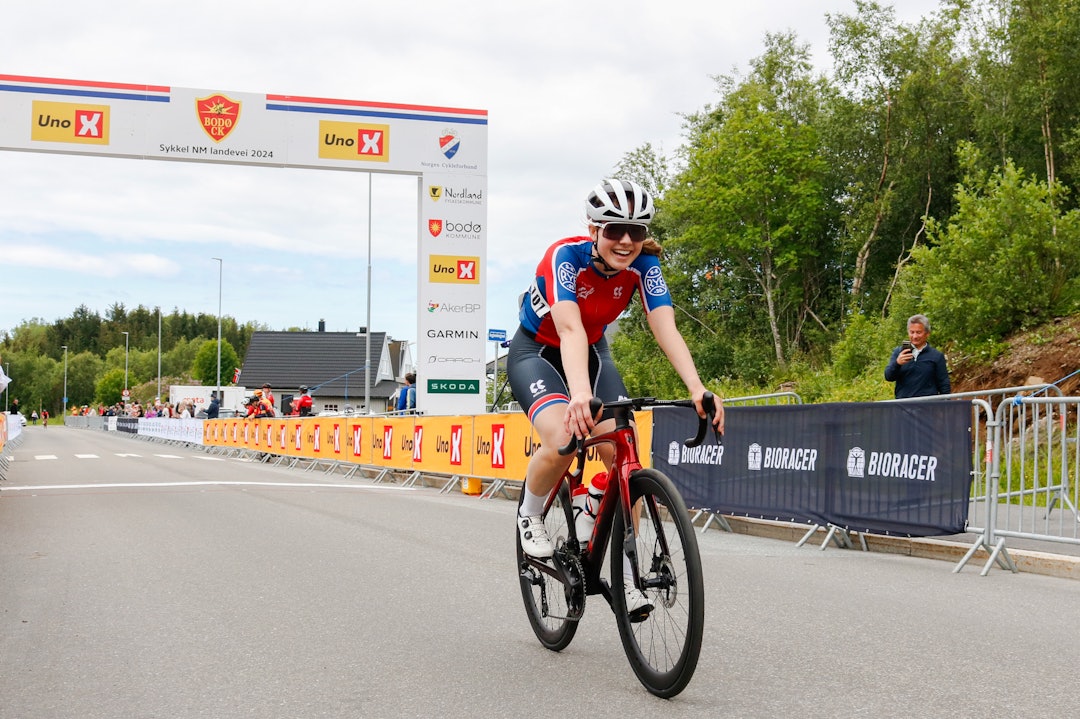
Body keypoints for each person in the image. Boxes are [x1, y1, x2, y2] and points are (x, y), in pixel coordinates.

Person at [506, 178, 724, 618]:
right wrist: (580, 397)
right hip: (538, 350)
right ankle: (529, 515)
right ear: (593, 230)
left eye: (637, 232)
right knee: (565, 438)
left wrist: (698, 388)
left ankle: (622, 570)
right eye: (614, 230)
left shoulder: (644, 266)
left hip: (593, 352)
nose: (626, 241)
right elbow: (568, 329)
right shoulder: (564, 257)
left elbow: (666, 329)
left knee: (624, 456)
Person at [884, 314, 951, 399]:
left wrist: (946, 407)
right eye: (912, 332)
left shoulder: (936, 356)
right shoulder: (898, 352)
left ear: (927, 334)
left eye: (918, 332)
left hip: (928, 407)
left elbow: (944, 385)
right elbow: (888, 376)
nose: (915, 336)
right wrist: (897, 363)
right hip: (903, 407)